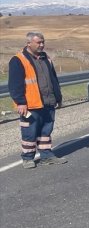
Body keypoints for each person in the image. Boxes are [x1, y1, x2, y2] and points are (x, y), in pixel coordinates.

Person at [8, 32, 67, 168]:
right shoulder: (18, 60)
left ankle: (46, 155)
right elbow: (15, 84)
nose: (42, 45)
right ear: (28, 43)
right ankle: (28, 158)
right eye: (38, 42)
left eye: (43, 42)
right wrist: (20, 102)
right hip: (30, 104)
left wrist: (58, 97)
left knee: (46, 132)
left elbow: (53, 79)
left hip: (48, 102)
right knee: (29, 132)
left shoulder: (46, 58)